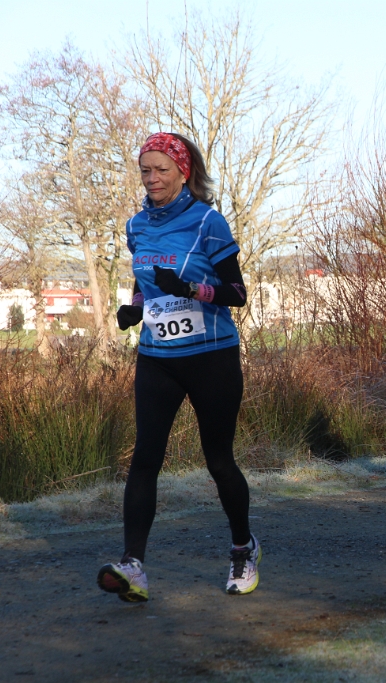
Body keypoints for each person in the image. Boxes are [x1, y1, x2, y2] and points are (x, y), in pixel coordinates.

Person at [98, 133, 259, 603]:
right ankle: (133, 566)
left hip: (211, 356)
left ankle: (243, 549)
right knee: (145, 457)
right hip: (158, 357)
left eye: (161, 170)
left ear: (183, 173)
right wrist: (135, 309)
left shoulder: (208, 221)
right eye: (145, 170)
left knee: (218, 460)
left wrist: (190, 290)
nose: (152, 178)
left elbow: (236, 293)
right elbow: (144, 283)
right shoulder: (136, 226)